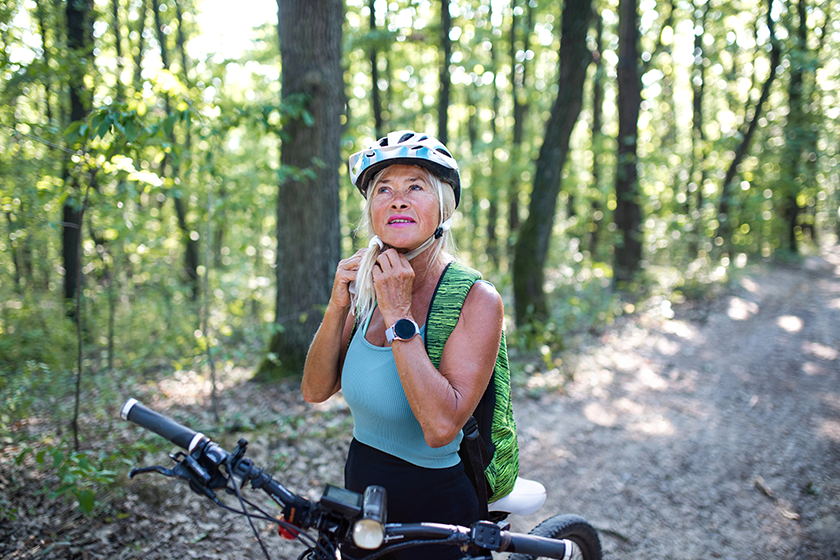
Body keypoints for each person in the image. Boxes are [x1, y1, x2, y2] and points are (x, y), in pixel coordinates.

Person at [301, 130, 506, 560]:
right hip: (362, 487)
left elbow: (440, 428)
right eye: (383, 189)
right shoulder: (366, 287)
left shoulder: (475, 298)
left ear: (443, 208)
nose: (398, 199)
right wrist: (339, 304)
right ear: (372, 208)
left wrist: (398, 314)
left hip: (436, 505)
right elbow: (315, 390)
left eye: (415, 186)